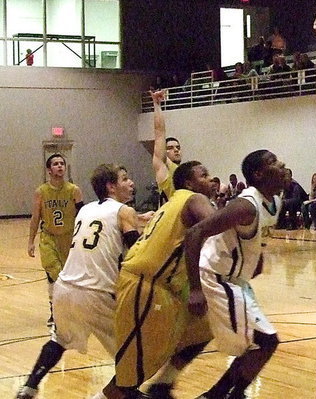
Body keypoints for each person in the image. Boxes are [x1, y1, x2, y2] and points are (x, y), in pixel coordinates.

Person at [17, 164, 142, 399]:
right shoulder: (124, 211)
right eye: (125, 178)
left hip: (65, 288)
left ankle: (29, 387)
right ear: (111, 186)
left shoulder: (86, 211)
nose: (131, 182)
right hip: (96, 292)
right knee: (133, 360)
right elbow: (137, 248)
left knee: (59, 339)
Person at [108, 160, 218, 399]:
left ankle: (163, 385)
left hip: (164, 288)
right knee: (127, 380)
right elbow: (215, 228)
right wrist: (244, 219)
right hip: (145, 287)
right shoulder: (194, 199)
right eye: (204, 174)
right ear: (189, 183)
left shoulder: (174, 201)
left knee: (205, 328)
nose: (211, 179)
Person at [183, 150, 286, 399]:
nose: (282, 164)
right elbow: (194, 234)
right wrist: (195, 289)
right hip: (216, 277)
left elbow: (252, 236)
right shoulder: (246, 204)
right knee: (263, 341)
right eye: (273, 162)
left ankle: (219, 394)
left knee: (262, 343)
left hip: (235, 280)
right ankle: (224, 394)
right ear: (258, 174)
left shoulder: (274, 201)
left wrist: (257, 258)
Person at [28, 153, 84, 325]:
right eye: (55, 164)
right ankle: (54, 311)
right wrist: (30, 241)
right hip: (49, 238)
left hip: (69, 238)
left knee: (70, 276)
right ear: (49, 170)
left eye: (62, 163)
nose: (60, 166)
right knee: (53, 274)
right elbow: (36, 217)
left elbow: (83, 215)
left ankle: (70, 308)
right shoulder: (41, 192)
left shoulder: (74, 190)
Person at [150, 89, 182, 205]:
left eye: (178, 147)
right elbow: (159, 133)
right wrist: (157, 105)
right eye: (171, 148)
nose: (176, 150)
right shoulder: (165, 169)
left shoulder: (184, 172)